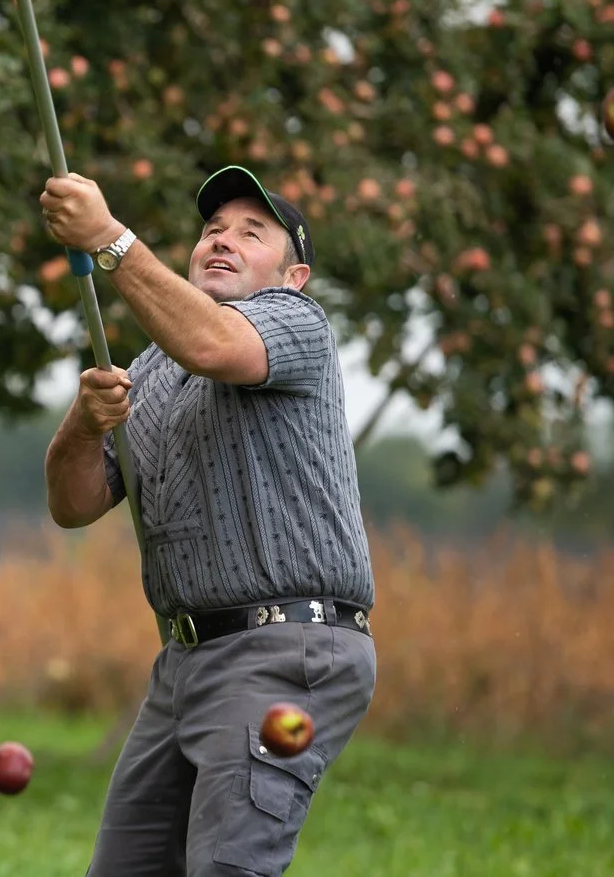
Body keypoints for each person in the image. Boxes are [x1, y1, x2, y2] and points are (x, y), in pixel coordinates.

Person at [39, 164, 377, 877]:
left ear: (294, 275)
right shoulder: (156, 367)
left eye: (252, 234)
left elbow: (217, 345)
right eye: (213, 230)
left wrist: (106, 238)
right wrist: (82, 422)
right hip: (186, 661)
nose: (222, 241)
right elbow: (73, 505)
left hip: (285, 648)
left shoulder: (297, 324)